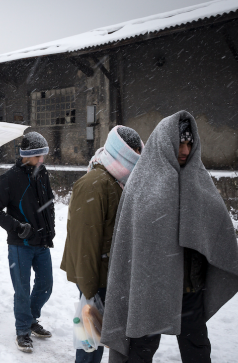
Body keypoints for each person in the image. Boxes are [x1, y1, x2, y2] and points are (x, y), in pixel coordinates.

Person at [101, 111, 238, 363]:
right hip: (151, 288)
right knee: (140, 351)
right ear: (164, 140)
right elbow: (132, 241)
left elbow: (216, 224)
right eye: (180, 142)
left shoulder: (199, 180)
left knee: (197, 350)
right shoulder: (141, 183)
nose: (185, 149)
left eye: (190, 143)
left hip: (190, 289)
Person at [61, 126, 143, 363]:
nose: (138, 157)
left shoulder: (117, 181)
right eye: (134, 152)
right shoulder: (94, 183)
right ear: (122, 152)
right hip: (95, 277)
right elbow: (83, 241)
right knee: (90, 341)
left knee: (97, 335)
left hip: (109, 274)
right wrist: (89, 290)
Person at [0, 131, 56, 353]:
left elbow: (49, 203)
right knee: (22, 290)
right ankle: (23, 330)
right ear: (27, 155)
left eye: (43, 155)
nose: (42, 160)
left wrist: (50, 228)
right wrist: (18, 227)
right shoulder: (10, 178)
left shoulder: (42, 173)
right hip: (20, 245)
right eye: (38, 156)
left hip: (42, 242)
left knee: (46, 285)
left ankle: (31, 318)